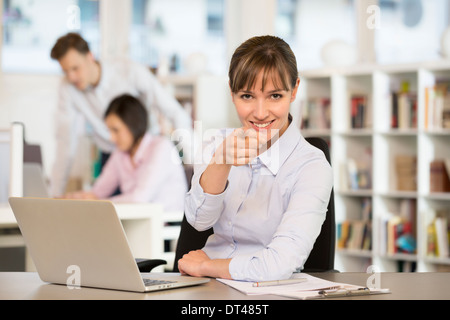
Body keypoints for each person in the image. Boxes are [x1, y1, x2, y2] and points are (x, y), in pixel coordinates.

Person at [177, 35, 333, 281]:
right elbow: (198, 222)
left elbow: (278, 264)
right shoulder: (217, 143)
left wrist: (208, 267)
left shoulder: (311, 166)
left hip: (265, 288)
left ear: (294, 91)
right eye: (247, 96)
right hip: (204, 286)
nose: (260, 113)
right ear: (232, 92)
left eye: (275, 96)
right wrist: (222, 162)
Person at [50, 32, 192, 197]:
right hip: (113, 155)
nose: (71, 77)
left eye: (75, 68)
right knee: (106, 212)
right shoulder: (68, 88)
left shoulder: (128, 71)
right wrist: (55, 196)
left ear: (90, 57)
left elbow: (173, 111)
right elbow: (65, 143)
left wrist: (191, 162)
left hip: (146, 152)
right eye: (65, 71)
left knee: (134, 204)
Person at [64, 94, 187, 211]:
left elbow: (139, 199)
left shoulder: (161, 147)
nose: (111, 138)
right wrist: (70, 199)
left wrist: (98, 202)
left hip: (168, 224)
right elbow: (97, 192)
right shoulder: (120, 153)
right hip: (139, 221)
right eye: (109, 131)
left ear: (133, 125)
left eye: (116, 130)